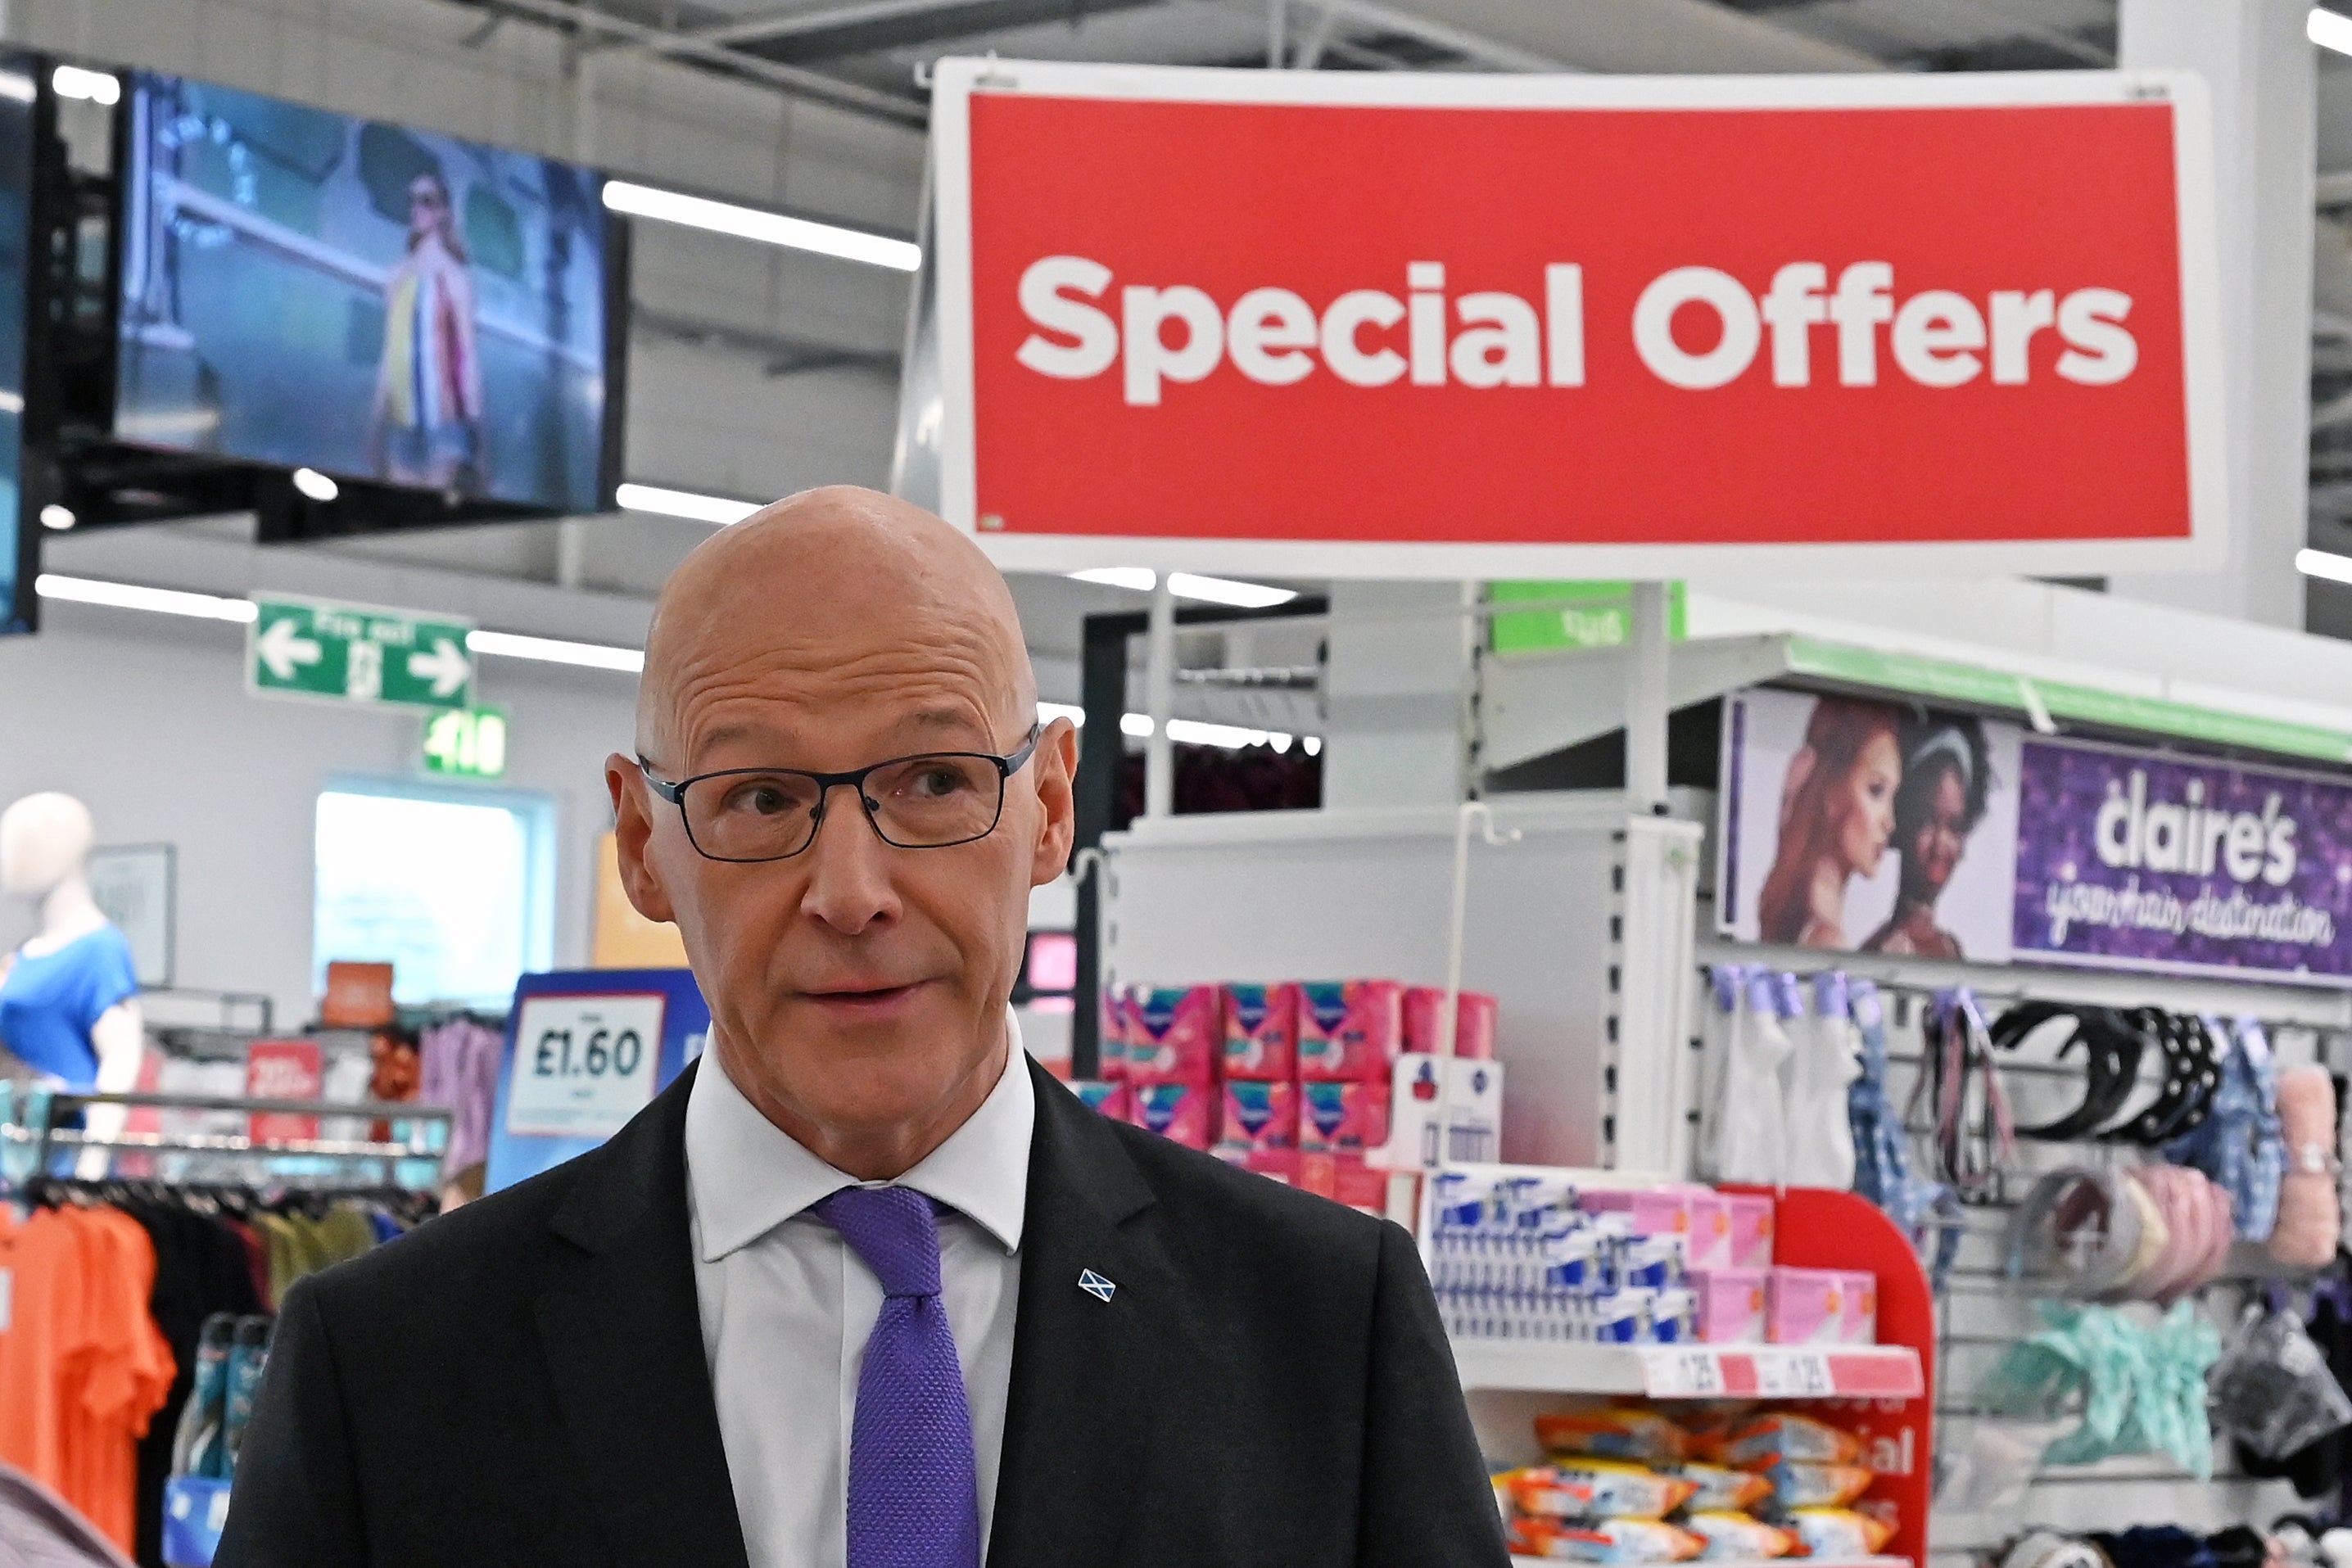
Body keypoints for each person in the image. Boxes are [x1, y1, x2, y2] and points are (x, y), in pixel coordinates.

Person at [214, 486, 1507, 1568]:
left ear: (1050, 806)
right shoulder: (385, 1368)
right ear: (641, 844)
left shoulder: (1324, 1327)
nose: (850, 891)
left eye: (936, 780)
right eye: (761, 795)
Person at [365, 169, 485, 495]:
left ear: (443, 211)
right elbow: (390, 352)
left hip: (446, 422)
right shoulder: (398, 276)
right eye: (412, 201)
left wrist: (478, 430)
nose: (417, 208)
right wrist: (376, 421)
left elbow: (467, 358)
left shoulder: (455, 277)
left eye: (427, 201)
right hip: (403, 421)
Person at [1753, 696, 1903, 949]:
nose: (1890, 822)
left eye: (1893, 796)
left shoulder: (1804, 919)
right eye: (1876, 790)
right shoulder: (1826, 940)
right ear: (1832, 792)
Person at [1862, 716, 1992, 960]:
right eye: (1927, 821)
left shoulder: (1951, 948)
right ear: (1902, 824)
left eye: (1954, 827)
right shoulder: (1881, 950)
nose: (1939, 845)